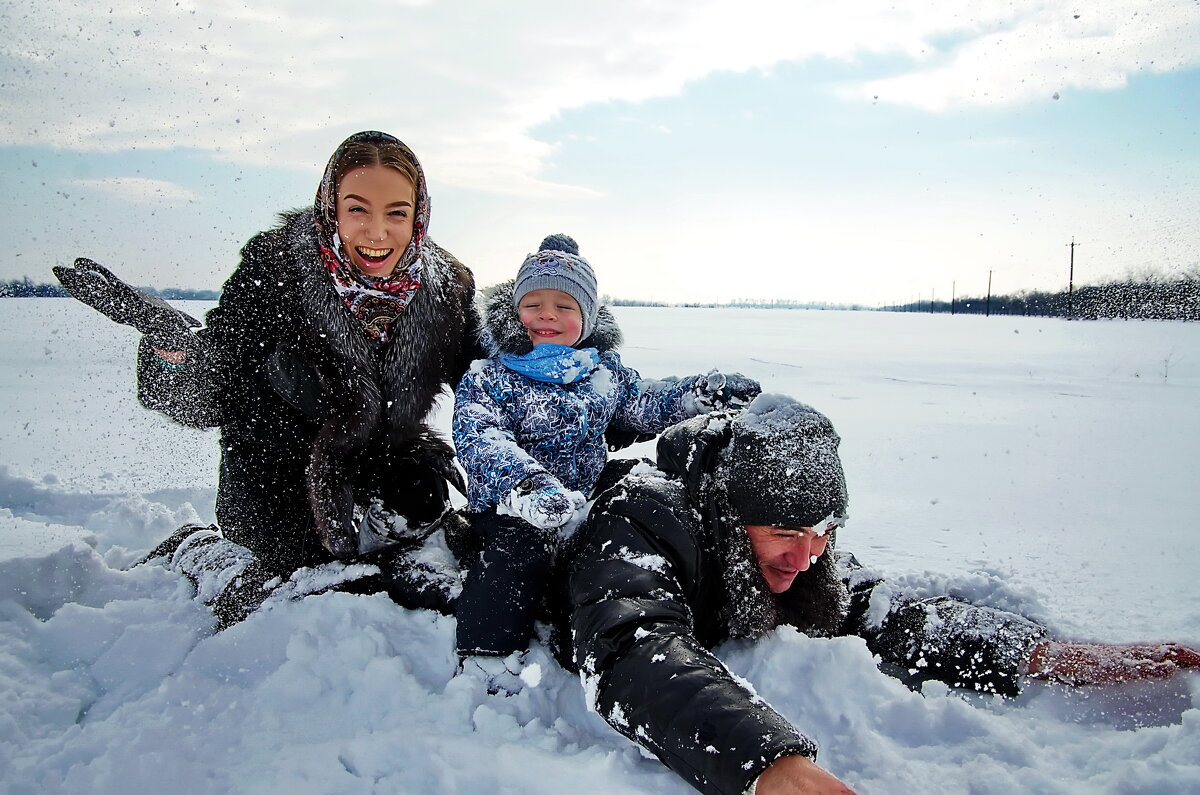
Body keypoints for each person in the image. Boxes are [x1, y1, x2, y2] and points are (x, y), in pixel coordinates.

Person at [565, 395, 1200, 795]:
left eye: (823, 535)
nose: (806, 557)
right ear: (734, 518)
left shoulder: (804, 548)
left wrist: (1038, 655)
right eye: (785, 534)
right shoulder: (643, 516)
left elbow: (878, 609)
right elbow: (629, 644)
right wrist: (771, 767)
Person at [58, 131, 480, 625]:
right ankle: (199, 550)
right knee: (291, 590)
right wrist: (172, 348)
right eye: (358, 209)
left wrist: (569, 341)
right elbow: (211, 394)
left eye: (396, 213)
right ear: (331, 207)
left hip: (384, 468)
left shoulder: (443, 289)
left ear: (418, 215)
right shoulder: (276, 268)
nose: (376, 232)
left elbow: (490, 367)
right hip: (274, 472)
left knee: (413, 555)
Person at [450, 234, 760, 681]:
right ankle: (487, 654)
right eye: (533, 302)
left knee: (646, 492)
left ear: (588, 317)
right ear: (514, 310)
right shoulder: (491, 376)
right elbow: (481, 439)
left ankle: (678, 600)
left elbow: (645, 404)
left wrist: (697, 395)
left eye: (565, 305)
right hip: (510, 505)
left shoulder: (601, 372)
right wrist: (528, 485)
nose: (547, 315)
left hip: (586, 489)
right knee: (516, 554)